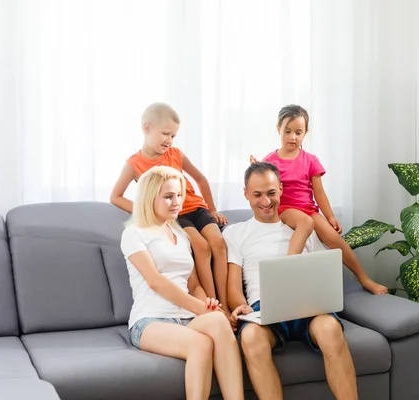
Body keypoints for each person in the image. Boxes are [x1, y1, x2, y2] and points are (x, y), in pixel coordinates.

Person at [224, 162, 358, 400]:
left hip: (307, 305)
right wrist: (240, 306)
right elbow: (233, 287)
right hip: (262, 308)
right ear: (245, 193)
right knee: (250, 337)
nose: (266, 201)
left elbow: (322, 269)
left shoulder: (300, 227)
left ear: (281, 189)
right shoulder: (235, 233)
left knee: (330, 329)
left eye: (271, 193)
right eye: (257, 194)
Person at [120, 165, 243, 400]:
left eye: (178, 195)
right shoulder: (134, 233)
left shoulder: (182, 236)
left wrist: (204, 303)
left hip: (185, 319)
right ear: (149, 198)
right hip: (150, 321)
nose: (176, 202)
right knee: (200, 344)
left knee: (218, 320)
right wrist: (196, 307)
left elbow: (194, 284)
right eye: (168, 196)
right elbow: (155, 281)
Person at [250, 104, 387, 295]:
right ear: (278, 129)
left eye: (298, 132)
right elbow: (263, 181)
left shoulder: (310, 160)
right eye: (287, 131)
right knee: (305, 222)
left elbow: (319, 193)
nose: (293, 137)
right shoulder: (271, 160)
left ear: (306, 132)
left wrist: (329, 217)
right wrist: (257, 167)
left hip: (308, 208)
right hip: (286, 209)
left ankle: (364, 278)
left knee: (335, 239)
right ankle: (288, 267)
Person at [111, 102, 230, 313]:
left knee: (218, 243)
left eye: (173, 136)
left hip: (197, 207)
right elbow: (116, 197)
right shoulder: (134, 163)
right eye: (165, 133)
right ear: (147, 128)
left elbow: (200, 179)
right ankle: (214, 306)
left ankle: (226, 304)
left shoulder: (175, 154)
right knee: (201, 247)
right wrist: (145, 209)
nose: (169, 140)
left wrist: (212, 209)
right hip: (177, 215)